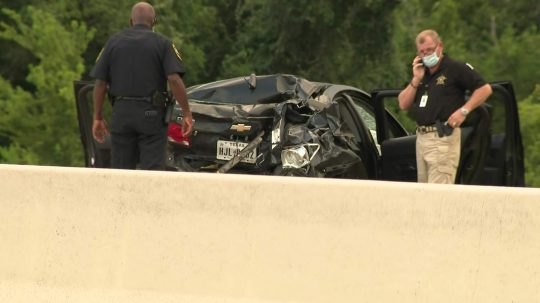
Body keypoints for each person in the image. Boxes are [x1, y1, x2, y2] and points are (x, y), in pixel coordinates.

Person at [90, 1, 193, 170]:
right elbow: (174, 79)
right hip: (151, 115)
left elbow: (100, 83)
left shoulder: (113, 43)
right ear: (153, 22)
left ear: (131, 21)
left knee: (121, 172)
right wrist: (187, 113)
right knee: (152, 172)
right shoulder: (163, 44)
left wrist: (98, 117)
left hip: (121, 113)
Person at [398, 29, 492, 184]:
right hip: (421, 138)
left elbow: (484, 89)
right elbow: (403, 104)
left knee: (437, 197)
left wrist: (463, 111)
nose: (426, 55)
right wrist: (416, 79)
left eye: (429, 50)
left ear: (439, 46)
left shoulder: (454, 68)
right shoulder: (423, 74)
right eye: (422, 52)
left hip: (442, 138)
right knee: (423, 193)